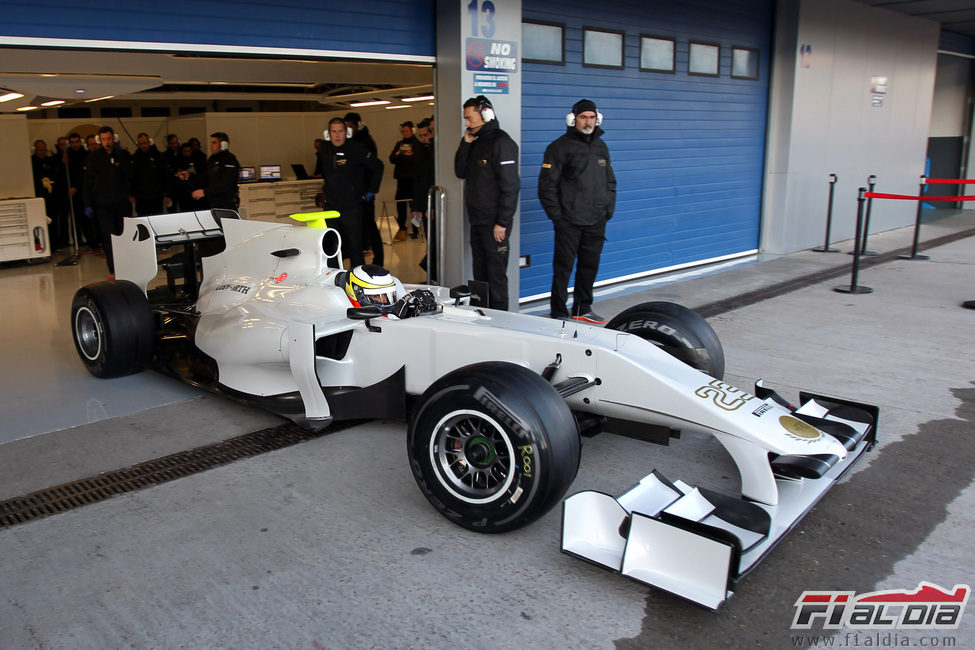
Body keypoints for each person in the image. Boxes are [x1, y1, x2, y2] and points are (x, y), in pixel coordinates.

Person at [538, 99, 617, 324]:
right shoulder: (558, 147)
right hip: (569, 221)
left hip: (597, 219)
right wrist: (558, 218)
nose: (588, 122)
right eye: (583, 117)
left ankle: (583, 308)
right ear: (573, 120)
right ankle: (559, 311)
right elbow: (546, 186)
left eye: (592, 117)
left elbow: (610, 180)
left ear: (597, 119)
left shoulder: (601, 146)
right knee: (563, 268)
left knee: (589, 265)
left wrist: (607, 209)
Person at [454, 95, 519, 311]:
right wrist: (465, 143)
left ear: (486, 114)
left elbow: (510, 186)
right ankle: (483, 317)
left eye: (470, 118)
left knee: (496, 276)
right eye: (465, 119)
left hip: (495, 225)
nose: (466, 123)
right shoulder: (475, 142)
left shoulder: (502, 142)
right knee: (480, 276)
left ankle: (502, 322)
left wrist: (503, 222)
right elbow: (459, 171)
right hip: (477, 221)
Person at [318, 117, 383, 268]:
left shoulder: (357, 149)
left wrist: (372, 191)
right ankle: (333, 280)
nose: (337, 135)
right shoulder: (324, 149)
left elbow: (378, 166)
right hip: (331, 206)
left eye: (340, 131)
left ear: (346, 132)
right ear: (328, 133)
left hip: (352, 206)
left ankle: (357, 279)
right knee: (331, 245)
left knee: (355, 246)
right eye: (334, 131)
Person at [84, 126, 132, 276]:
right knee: (109, 238)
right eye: (104, 139)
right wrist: (87, 204)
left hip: (121, 204)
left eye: (109, 138)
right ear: (100, 140)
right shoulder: (94, 157)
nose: (107, 142)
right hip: (103, 205)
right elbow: (87, 182)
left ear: (114, 138)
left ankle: (127, 267)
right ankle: (113, 269)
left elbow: (129, 177)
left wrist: (130, 194)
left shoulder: (122, 154)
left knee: (123, 236)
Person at [344, 112, 383, 262]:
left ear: (357, 125)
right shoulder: (352, 142)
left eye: (350, 126)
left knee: (369, 226)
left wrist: (371, 190)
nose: (348, 130)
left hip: (365, 192)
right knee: (359, 228)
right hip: (354, 194)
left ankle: (378, 260)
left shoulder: (365, 142)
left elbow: (375, 167)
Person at [184, 132, 240, 210]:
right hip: (214, 203)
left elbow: (225, 184)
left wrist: (205, 192)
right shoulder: (212, 159)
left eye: (214, 143)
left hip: (227, 204)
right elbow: (204, 178)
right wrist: (190, 176)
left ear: (223, 144)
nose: (211, 146)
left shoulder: (230, 160)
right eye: (211, 143)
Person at [31, 139, 68, 249]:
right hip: (39, 197)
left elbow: (56, 173)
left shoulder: (50, 160)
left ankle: (55, 245)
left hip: (52, 197)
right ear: (36, 150)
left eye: (44, 149)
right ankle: (44, 245)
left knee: (54, 222)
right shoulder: (32, 162)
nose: (42, 152)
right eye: (40, 150)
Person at [412, 118, 436, 278]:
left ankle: (435, 273)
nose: (423, 139)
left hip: (434, 203)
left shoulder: (437, 149)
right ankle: (433, 274)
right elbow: (419, 180)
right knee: (430, 241)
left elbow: (434, 179)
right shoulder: (420, 150)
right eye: (420, 136)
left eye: (426, 135)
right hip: (425, 202)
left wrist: (433, 206)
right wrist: (417, 207)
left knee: (436, 242)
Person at [389, 121, 420, 240]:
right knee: (400, 206)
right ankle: (402, 229)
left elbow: (416, 160)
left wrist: (403, 157)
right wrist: (401, 155)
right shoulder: (399, 144)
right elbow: (392, 158)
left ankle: (416, 230)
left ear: (412, 131)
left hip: (413, 180)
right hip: (401, 180)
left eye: (406, 131)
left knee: (414, 206)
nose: (404, 133)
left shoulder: (417, 144)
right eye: (403, 131)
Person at [66, 132, 97, 250]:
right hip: (73, 194)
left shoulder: (86, 155)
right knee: (76, 219)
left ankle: (92, 242)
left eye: (76, 142)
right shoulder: (68, 156)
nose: (75, 144)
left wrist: (76, 187)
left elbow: (85, 175)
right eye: (72, 142)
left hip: (85, 192)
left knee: (88, 220)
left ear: (80, 142)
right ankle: (78, 242)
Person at [131, 133, 169, 216]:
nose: (143, 146)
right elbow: (132, 178)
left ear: (149, 142)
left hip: (157, 196)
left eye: (144, 143)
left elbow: (165, 176)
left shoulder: (158, 156)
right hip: (141, 197)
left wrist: (167, 193)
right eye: (140, 144)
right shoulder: (135, 158)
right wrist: (132, 194)